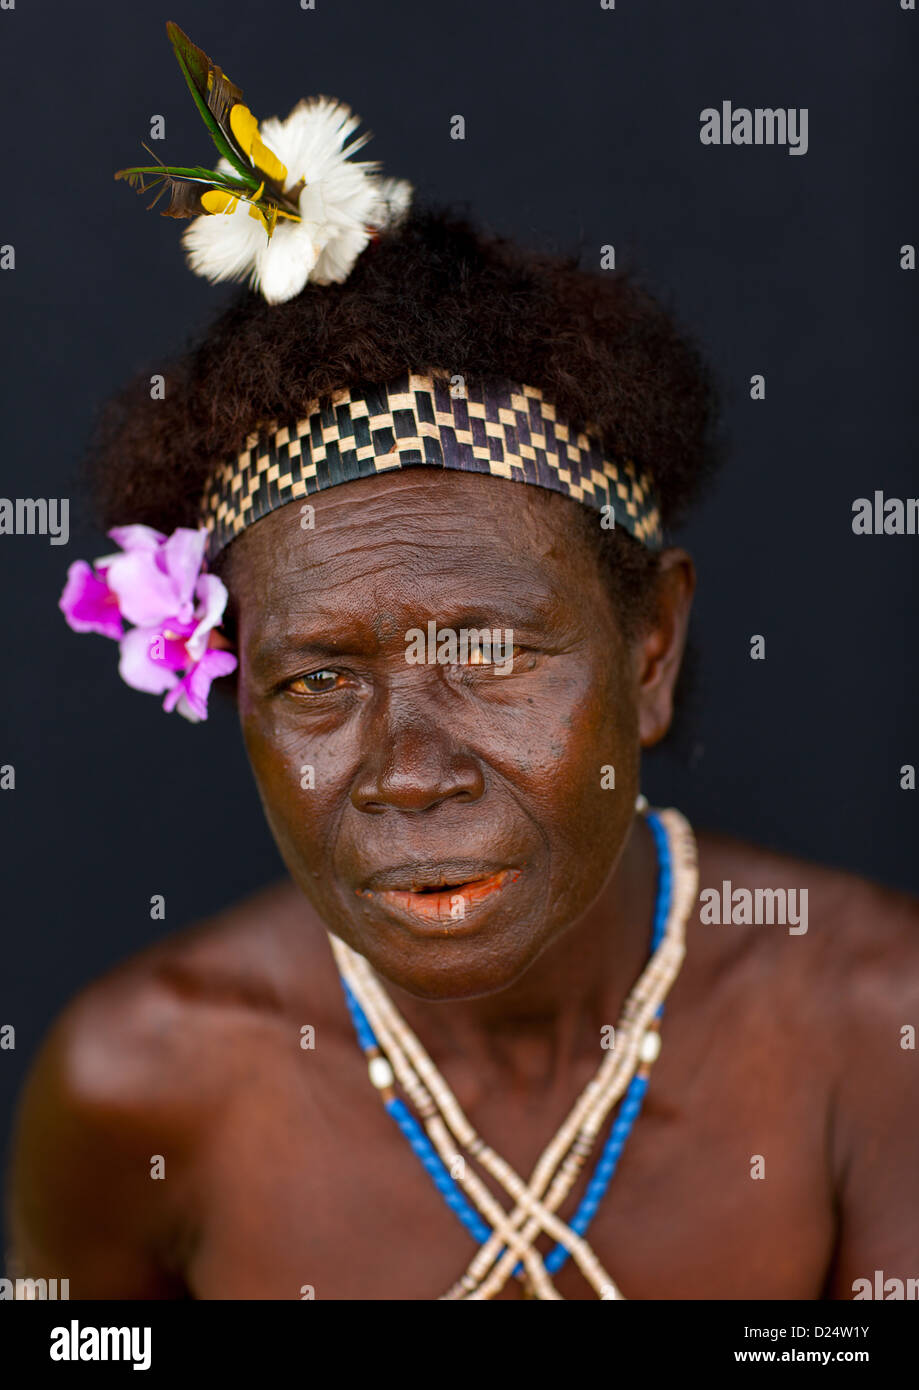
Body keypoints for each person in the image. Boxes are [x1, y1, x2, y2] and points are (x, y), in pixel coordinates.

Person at [6, 30, 919, 1301]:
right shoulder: (141, 1089)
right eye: (319, 679)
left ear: (648, 650)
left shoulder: (874, 1031)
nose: (411, 774)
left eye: (490, 653)